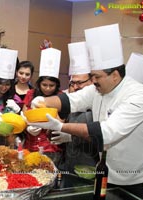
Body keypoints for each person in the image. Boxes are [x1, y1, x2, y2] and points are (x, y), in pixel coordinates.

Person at [29, 24, 143, 199]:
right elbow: (69, 100)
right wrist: (40, 101)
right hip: (106, 172)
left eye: (97, 76)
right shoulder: (98, 89)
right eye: (92, 75)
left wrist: (60, 126)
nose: (93, 81)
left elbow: (106, 133)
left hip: (135, 179)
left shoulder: (139, 96)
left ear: (115, 75)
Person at [51, 42, 98, 174]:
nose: (76, 87)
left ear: (92, 81)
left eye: (80, 83)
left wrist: (71, 136)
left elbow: (103, 136)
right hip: (70, 164)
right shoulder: (70, 98)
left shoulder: (99, 102)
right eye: (73, 83)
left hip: (91, 166)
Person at [23, 48, 62, 156]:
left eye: (51, 85)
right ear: (39, 84)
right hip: (30, 144)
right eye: (44, 85)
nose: (48, 89)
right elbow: (25, 113)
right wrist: (28, 125)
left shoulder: (60, 97)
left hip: (50, 147)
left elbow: (61, 122)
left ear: (57, 85)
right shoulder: (31, 94)